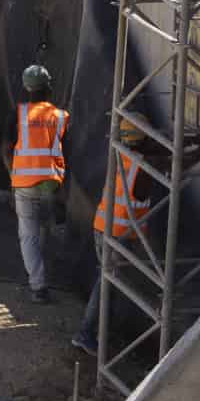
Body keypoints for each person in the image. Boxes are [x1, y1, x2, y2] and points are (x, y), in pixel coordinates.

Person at [75, 116, 161, 358]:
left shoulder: (121, 153)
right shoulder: (141, 165)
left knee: (109, 283)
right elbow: (174, 161)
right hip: (117, 234)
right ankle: (86, 333)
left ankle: (100, 333)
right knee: (107, 283)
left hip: (106, 227)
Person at [4, 64, 67, 305]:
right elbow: (63, 150)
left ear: (26, 87)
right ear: (49, 86)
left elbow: (6, 150)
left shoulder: (17, 115)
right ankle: (38, 271)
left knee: (28, 235)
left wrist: (13, 177)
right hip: (49, 183)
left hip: (24, 183)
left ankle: (38, 285)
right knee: (43, 228)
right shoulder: (60, 116)